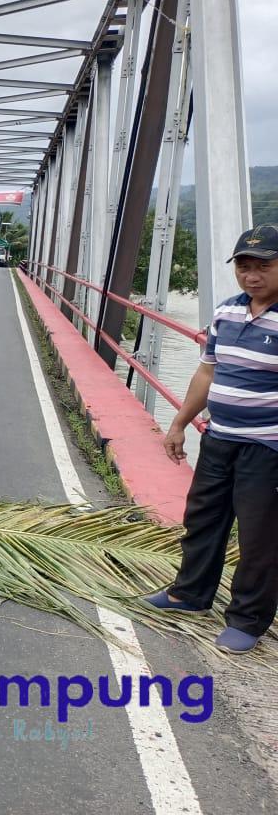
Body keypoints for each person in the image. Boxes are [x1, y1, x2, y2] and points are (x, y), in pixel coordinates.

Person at [145, 224, 278, 654]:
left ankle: (247, 619)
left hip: (267, 447)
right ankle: (190, 594)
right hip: (219, 438)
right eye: (244, 266)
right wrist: (179, 423)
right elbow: (207, 372)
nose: (251, 276)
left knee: (259, 536)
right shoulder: (226, 312)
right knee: (203, 519)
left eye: (264, 266)